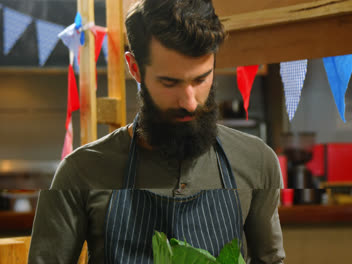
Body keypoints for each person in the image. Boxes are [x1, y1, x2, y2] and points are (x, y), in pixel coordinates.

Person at [28, 0, 285, 263]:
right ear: (135, 68)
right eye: (169, 82)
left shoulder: (256, 162)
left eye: (201, 79)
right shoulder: (80, 172)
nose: (189, 101)